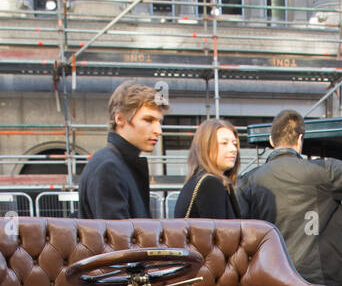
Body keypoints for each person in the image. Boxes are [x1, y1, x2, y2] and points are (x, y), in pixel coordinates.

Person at [239, 109, 342, 286]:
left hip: (271, 277)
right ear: (300, 139)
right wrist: (332, 166)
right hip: (319, 281)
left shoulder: (249, 181)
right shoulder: (323, 172)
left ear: (271, 140)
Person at [78, 81, 165, 220]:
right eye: (148, 120)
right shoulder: (109, 167)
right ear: (119, 118)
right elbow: (118, 239)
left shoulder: (116, 163)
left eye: (159, 122)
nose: (158, 130)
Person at [174, 118, 242, 220]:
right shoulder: (210, 184)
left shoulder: (197, 180)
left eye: (234, 144)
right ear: (206, 146)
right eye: (224, 143)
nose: (233, 149)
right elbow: (221, 233)